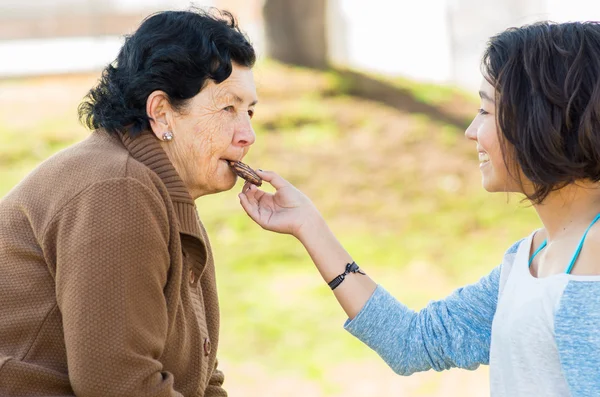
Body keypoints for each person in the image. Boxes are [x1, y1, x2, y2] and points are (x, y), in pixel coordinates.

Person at [238, 21, 600, 396]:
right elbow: (413, 342)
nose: (471, 130)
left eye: (487, 111)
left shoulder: (593, 256)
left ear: (544, 118)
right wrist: (308, 224)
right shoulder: (528, 258)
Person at [0, 9, 258, 396]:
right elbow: (119, 385)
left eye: (250, 111)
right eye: (228, 108)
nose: (248, 135)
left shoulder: (166, 195)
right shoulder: (118, 189)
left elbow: (202, 380)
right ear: (161, 112)